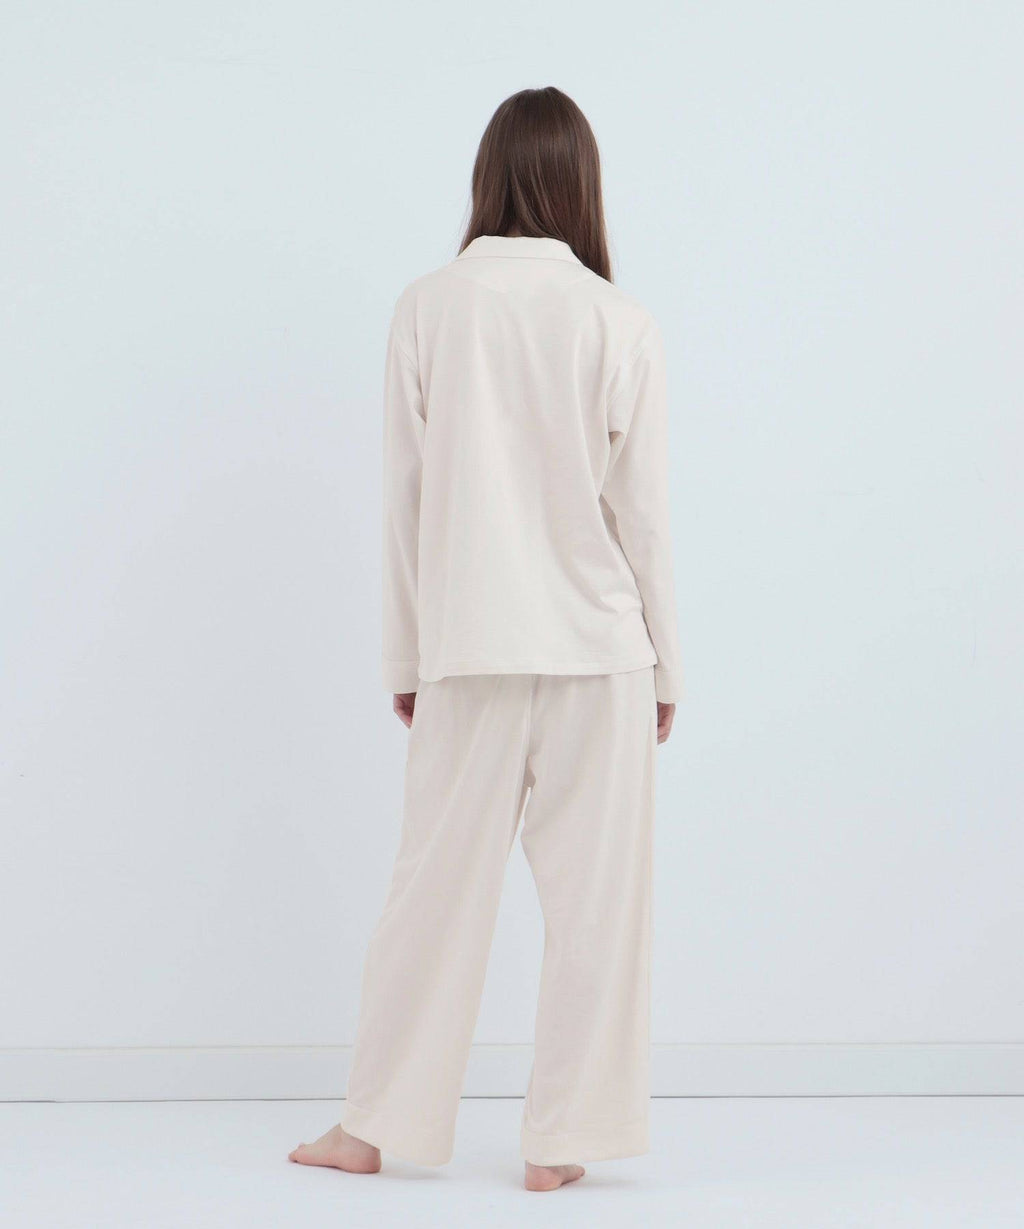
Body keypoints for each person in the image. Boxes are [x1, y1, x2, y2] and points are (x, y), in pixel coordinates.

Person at [289, 85, 682, 1193]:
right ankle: (562, 1139)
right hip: (602, 649)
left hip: (468, 643)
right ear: (580, 184)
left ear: (489, 175)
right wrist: (669, 662)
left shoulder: (428, 307)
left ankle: (371, 1124)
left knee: (431, 895)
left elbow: (406, 501)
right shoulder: (619, 319)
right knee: (599, 909)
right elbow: (643, 518)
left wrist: (405, 657)